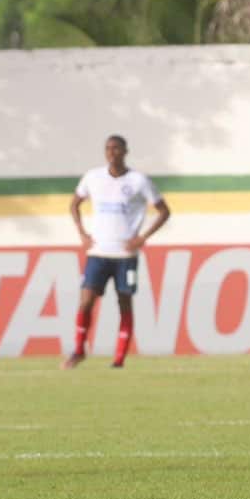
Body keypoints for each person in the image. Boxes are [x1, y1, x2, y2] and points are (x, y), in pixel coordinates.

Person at [65, 135, 170, 370]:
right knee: (86, 301)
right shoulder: (93, 177)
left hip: (125, 256)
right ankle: (79, 350)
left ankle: (119, 359)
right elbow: (74, 204)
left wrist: (142, 237)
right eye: (108, 148)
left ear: (125, 151)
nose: (112, 152)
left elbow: (164, 211)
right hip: (98, 253)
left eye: (116, 148)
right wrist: (82, 233)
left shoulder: (138, 181)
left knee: (124, 302)